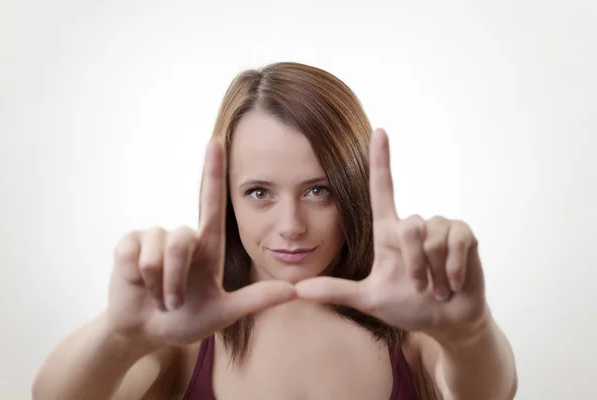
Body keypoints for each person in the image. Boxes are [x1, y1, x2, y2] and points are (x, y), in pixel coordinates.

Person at [32, 62, 518, 400]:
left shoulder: (411, 333)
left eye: (318, 191)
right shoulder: (183, 337)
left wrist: (469, 335)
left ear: (354, 191)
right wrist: (118, 336)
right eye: (260, 193)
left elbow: (489, 392)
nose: (291, 227)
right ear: (227, 200)